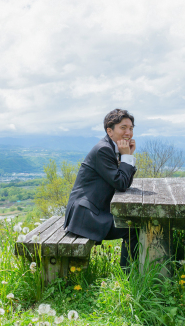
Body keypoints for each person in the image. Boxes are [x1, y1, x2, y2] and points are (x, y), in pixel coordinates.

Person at [64, 108, 139, 268]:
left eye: (131, 128)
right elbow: (121, 183)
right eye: (123, 127)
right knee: (133, 228)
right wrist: (126, 156)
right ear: (109, 131)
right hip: (84, 215)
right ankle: (129, 277)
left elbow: (123, 183)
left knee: (135, 225)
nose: (129, 133)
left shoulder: (111, 148)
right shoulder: (103, 150)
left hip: (91, 210)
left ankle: (132, 274)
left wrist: (127, 155)